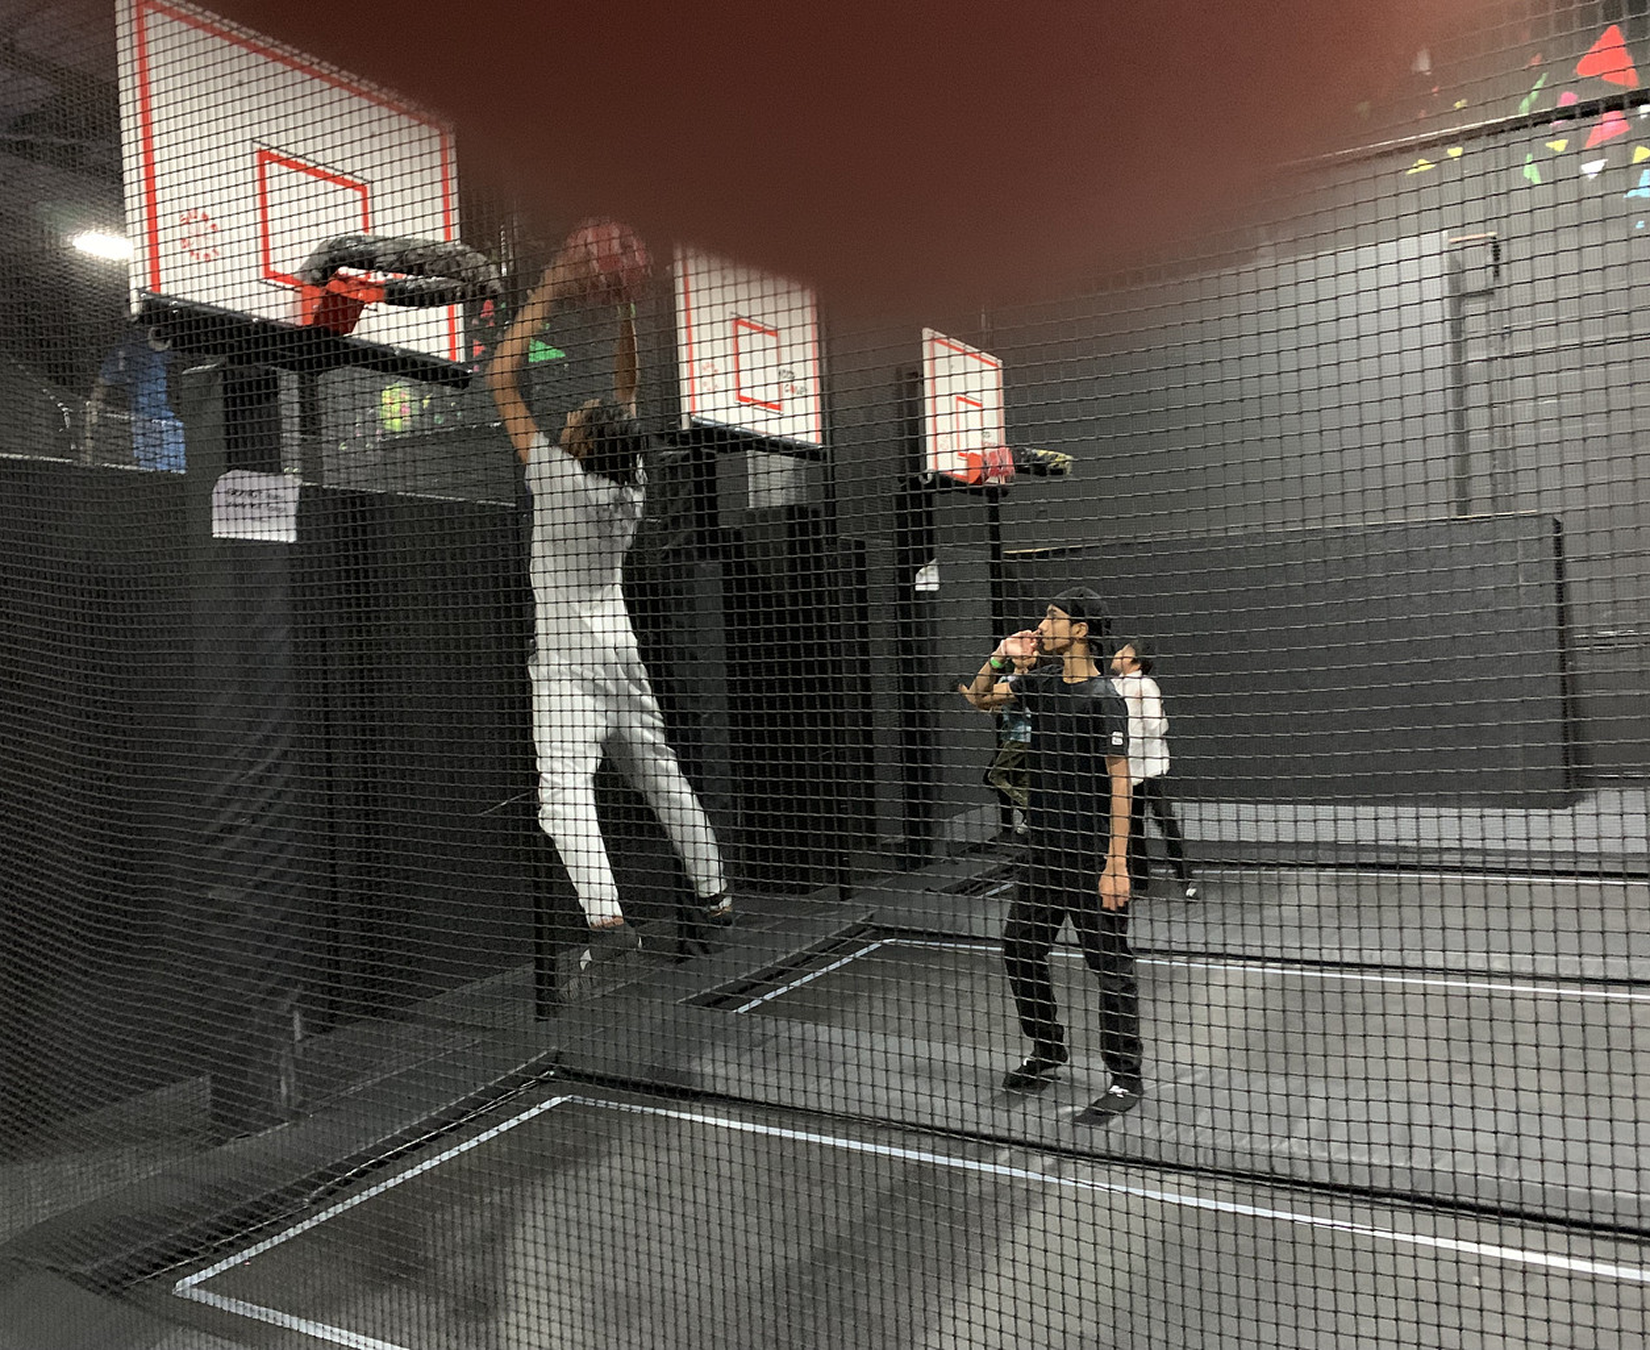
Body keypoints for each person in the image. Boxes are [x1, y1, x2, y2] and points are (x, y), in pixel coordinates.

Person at [488, 243, 732, 982]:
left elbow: (501, 378)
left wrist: (552, 287)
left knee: (563, 795)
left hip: (566, 661)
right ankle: (716, 893)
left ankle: (607, 919)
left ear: (584, 443)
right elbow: (629, 390)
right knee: (661, 776)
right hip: (619, 653)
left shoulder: (557, 478)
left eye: (576, 417)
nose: (569, 413)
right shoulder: (630, 486)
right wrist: (625, 308)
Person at [961, 587, 1143, 1122]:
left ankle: (1125, 1077)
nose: (1041, 625)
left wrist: (1117, 864)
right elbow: (978, 698)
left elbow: (1120, 783)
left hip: (1090, 856)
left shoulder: (1103, 698)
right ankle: (1047, 1049)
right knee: (1020, 949)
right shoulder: (1040, 684)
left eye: (1052, 617)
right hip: (1042, 851)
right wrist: (1000, 656)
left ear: (1080, 631)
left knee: (1109, 967)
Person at [1110, 638, 1198, 901]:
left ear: (1135, 662)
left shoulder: (1146, 685)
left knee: (1165, 821)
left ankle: (1186, 879)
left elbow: (1156, 726)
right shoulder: (1114, 685)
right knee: (1131, 825)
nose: (1118, 653)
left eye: (1124, 651)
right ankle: (1139, 881)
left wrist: (1151, 714)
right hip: (1127, 770)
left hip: (1150, 768)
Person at [960, 646, 1038, 838]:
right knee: (1020, 780)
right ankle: (1030, 816)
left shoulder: (1024, 682)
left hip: (1019, 737)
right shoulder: (1011, 681)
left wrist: (966, 692)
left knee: (995, 776)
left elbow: (984, 700)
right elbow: (992, 706)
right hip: (1016, 736)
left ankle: (1033, 811)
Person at [86, 321, 185, 471]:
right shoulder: (131, 344)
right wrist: (93, 409)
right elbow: (103, 381)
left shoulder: (176, 350)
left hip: (170, 424)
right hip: (142, 423)